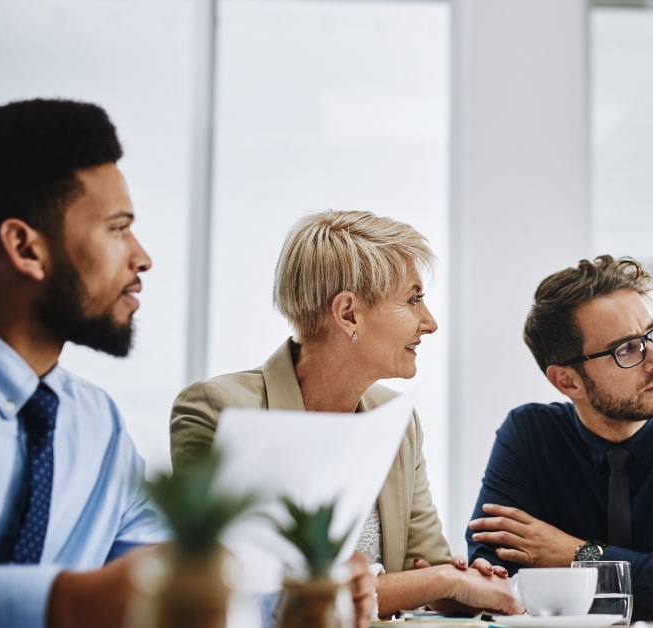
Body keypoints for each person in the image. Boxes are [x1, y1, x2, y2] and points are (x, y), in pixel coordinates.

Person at [0, 99, 376, 628]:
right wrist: (64, 601)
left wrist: (300, 592)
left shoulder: (97, 426)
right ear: (25, 248)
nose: (142, 256)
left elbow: (169, 573)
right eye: (117, 228)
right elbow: (98, 596)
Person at [170, 210, 520, 618]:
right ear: (349, 313)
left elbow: (425, 565)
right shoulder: (218, 409)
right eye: (413, 299)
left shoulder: (398, 419)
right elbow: (244, 591)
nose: (431, 322)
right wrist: (437, 581)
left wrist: (456, 585)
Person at [465, 255, 653, 621]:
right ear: (568, 381)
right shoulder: (531, 435)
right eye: (627, 349)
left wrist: (580, 556)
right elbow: (494, 577)